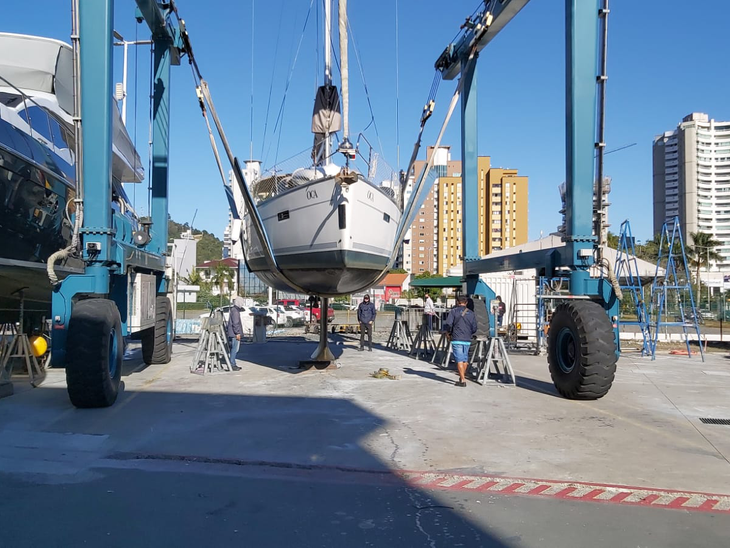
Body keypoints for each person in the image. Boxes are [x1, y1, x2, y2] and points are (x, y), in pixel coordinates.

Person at [442, 295, 477, 387]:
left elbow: (449, 324)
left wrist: (448, 332)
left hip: (457, 338)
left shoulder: (453, 312)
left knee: (459, 360)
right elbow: (474, 328)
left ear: (457, 302)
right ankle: (462, 376)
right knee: (465, 360)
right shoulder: (471, 313)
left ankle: (462, 380)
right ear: (466, 303)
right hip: (467, 339)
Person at [227, 296, 246, 370]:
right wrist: (237, 333)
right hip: (234, 334)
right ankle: (232, 364)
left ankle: (232, 363)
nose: (242, 304)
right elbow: (236, 323)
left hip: (233, 333)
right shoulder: (235, 311)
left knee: (234, 348)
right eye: (241, 302)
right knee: (235, 349)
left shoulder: (234, 309)